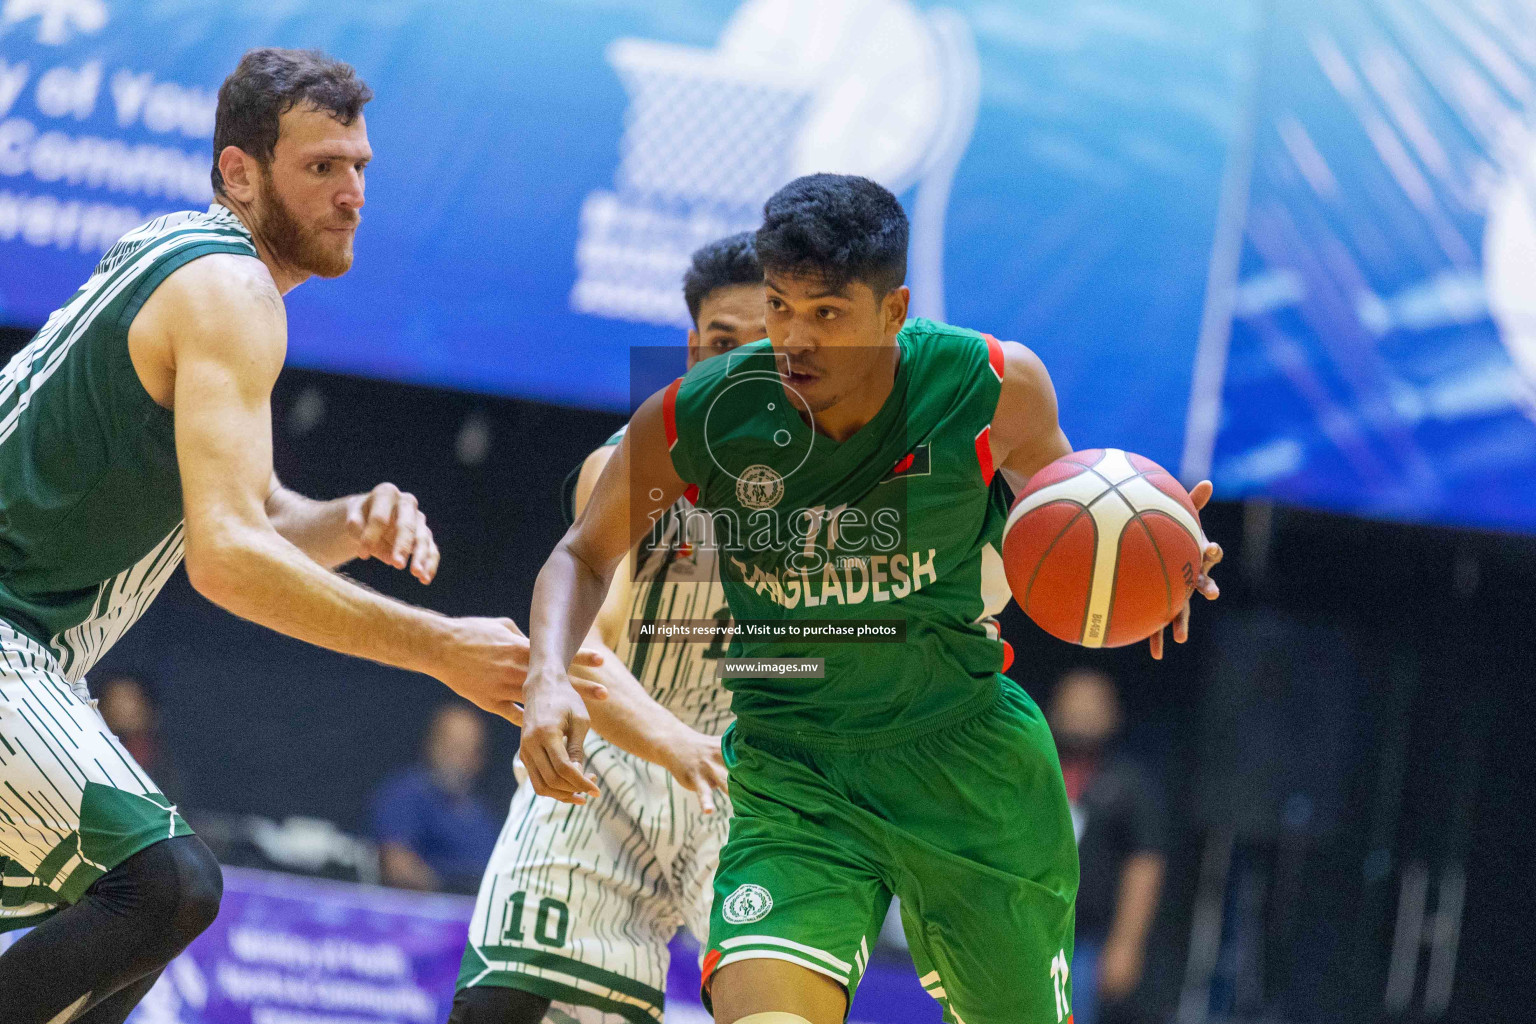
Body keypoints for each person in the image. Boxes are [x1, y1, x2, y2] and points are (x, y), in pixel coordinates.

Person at [520, 174, 1223, 1024]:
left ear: (895, 310)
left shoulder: (995, 386)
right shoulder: (701, 415)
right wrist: (548, 679)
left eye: (827, 313)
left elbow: (1067, 547)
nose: (794, 339)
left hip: (967, 766)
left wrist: (1155, 573)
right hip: (797, 769)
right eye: (780, 307)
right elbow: (579, 554)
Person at [0, 48, 606, 1024]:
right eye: (322, 167)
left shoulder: (188, 262)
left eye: (360, 166)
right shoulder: (231, 291)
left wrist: (345, 522)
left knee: (142, 912)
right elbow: (228, 559)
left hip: (29, 651)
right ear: (240, 173)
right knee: (167, 887)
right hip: (8, 642)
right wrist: (441, 645)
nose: (352, 192)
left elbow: (253, 513)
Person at [449, 233, 765, 1024]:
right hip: (609, 769)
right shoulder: (630, 464)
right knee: (502, 1013)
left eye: (767, 348)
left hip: (747, 783)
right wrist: (681, 747)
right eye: (723, 344)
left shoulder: (846, 488)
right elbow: (584, 652)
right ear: (695, 351)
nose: (741, 369)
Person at [1050, 670, 1168, 1024]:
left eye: (1094, 704)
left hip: (1084, 941)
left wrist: (1127, 943)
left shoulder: (1130, 785)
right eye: (1075, 701)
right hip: (1018, 930)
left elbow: (1145, 866)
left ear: (1113, 714)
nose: (1082, 712)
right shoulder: (1031, 769)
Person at [373, 704, 502, 894]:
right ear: (432, 744)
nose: (459, 759)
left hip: (476, 913)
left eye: (469, 750)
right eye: (452, 747)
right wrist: (451, 891)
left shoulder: (482, 814)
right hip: (420, 913)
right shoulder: (406, 794)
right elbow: (397, 866)